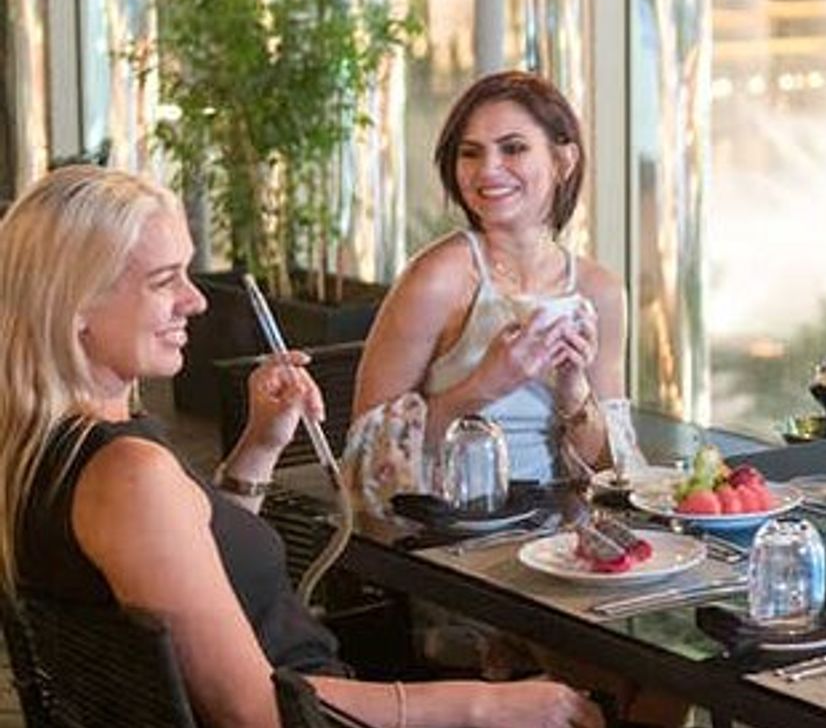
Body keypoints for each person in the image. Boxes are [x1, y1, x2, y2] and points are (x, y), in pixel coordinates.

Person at [0, 165, 603, 728]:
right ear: (74, 306)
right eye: (164, 281)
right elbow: (255, 710)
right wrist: (488, 705)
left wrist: (262, 445)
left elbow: (197, 559)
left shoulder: (54, 452)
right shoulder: (129, 474)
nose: (196, 300)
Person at [348, 71, 626, 501]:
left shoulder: (599, 290)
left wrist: (574, 391)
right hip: (448, 528)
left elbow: (615, 473)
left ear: (563, 161)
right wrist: (487, 384)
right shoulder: (436, 279)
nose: (488, 170)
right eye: (471, 153)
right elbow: (364, 455)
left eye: (513, 148)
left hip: (560, 528)